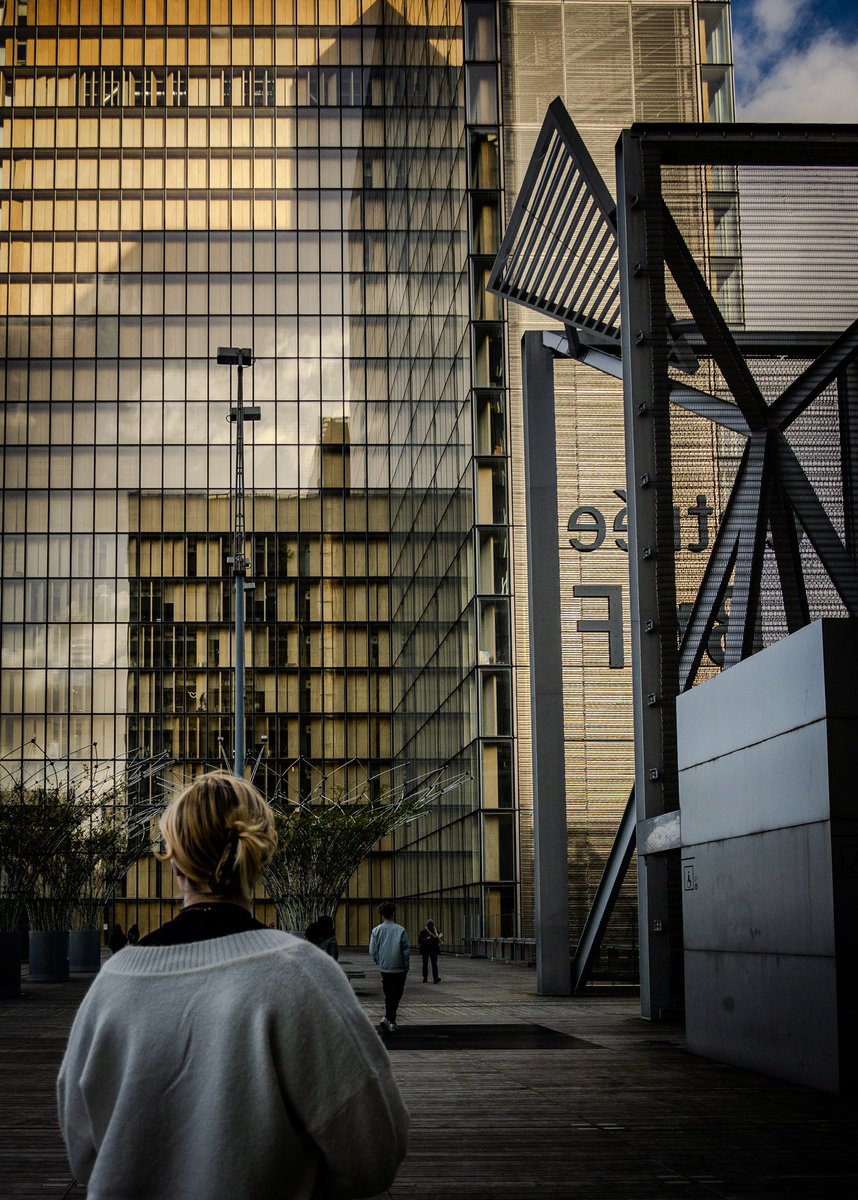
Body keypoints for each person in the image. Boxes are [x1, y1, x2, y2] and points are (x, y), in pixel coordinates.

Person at [57, 772, 408, 1200]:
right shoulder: (302, 975)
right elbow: (373, 1151)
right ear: (261, 854)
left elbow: (83, 1153)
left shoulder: (113, 984)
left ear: (174, 858)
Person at [370, 901, 410, 1032]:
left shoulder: (376, 930)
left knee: (388, 994)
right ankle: (390, 1019)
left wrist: (379, 961)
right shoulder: (400, 930)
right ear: (393, 913)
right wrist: (406, 966)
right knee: (397, 994)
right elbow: (405, 951)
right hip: (399, 968)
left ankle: (390, 1020)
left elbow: (373, 950)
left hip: (385, 968)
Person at [417, 918, 442, 983]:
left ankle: (431, 978)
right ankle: (429, 978)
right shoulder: (424, 932)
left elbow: (439, 939)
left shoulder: (435, 932)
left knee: (430, 964)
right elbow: (420, 941)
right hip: (428, 950)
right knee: (430, 964)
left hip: (430, 950)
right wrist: (428, 939)